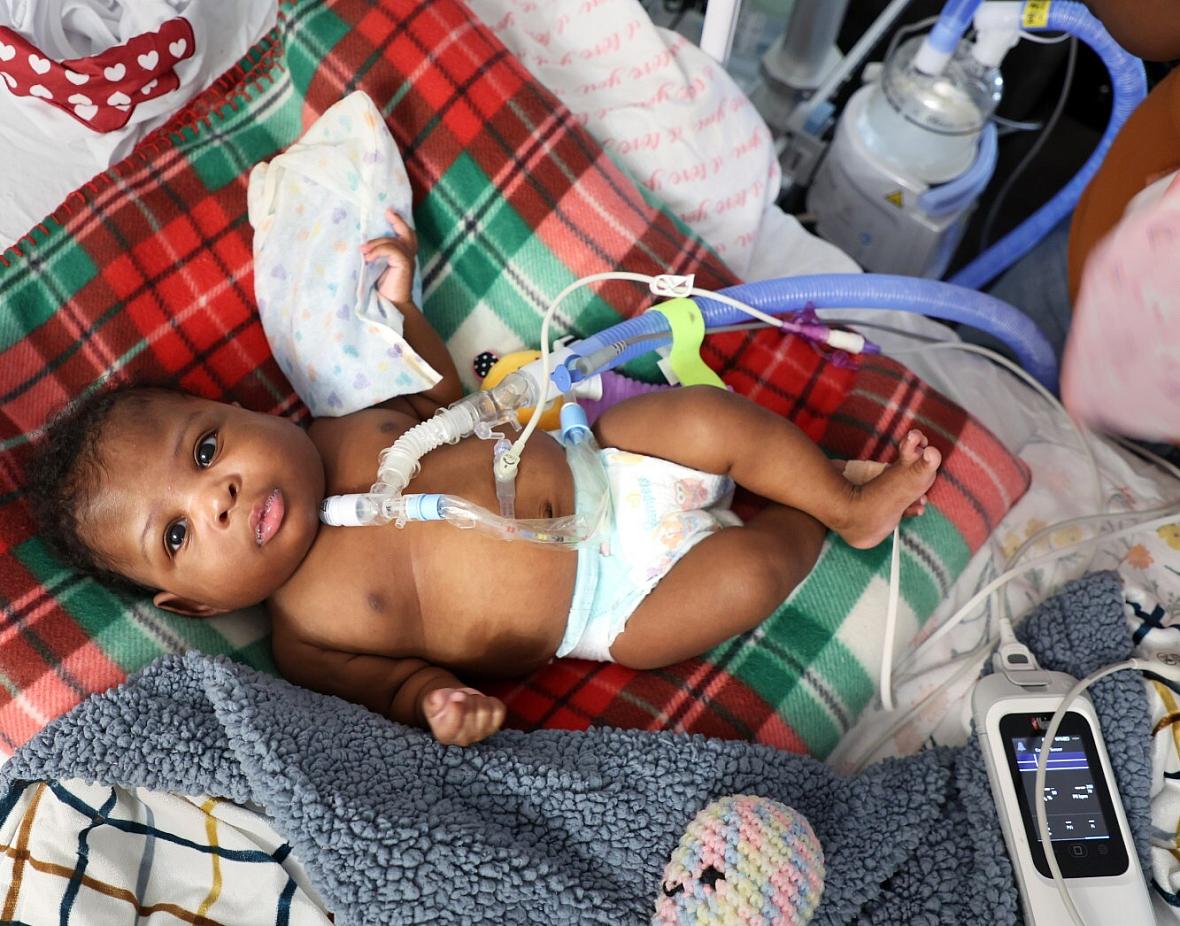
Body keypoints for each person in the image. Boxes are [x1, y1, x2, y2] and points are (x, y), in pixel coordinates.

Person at [29, 210, 941, 747]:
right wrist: (437, 703)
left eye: (204, 451)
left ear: (243, 410)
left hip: (611, 460)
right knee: (743, 579)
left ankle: (841, 499)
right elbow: (392, 693)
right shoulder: (306, 638)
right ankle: (804, 520)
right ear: (188, 605)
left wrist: (403, 310)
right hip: (609, 607)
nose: (217, 496)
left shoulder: (342, 429)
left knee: (706, 419)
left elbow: (441, 397)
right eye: (179, 535)